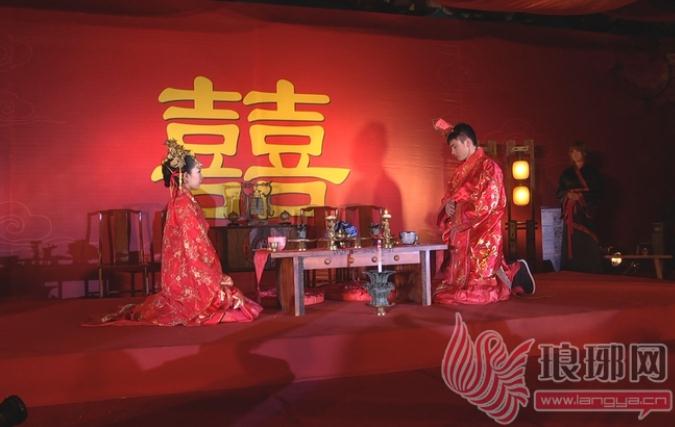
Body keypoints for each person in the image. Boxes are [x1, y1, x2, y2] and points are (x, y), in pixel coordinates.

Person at [95, 139, 262, 325]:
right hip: (187, 269)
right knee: (229, 299)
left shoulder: (185, 200)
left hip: (188, 265)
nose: (202, 176)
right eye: (198, 172)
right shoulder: (183, 204)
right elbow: (194, 244)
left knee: (231, 297)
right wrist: (211, 274)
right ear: (185, 176)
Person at [432, 120, 535, 304]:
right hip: (462, 230)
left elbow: (489, 201)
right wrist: (448, 207)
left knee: (478, 290)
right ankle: (513, 273)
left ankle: (512, 273)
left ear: (467, 143)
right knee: (447, 291)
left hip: (482, 229)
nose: (452, 152)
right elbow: (449, 197)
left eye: (454, 146)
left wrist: (461, 211)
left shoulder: (489, 167)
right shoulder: (459, 172)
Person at [556, 142, 603, 273]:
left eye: (577, 151)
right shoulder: (566, 173)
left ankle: (591, 268)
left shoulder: (593, 172)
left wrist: (581, 197)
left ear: (584, 153)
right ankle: (571, 267)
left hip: (586, 211)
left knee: (588, 238)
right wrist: (568, 194)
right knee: (572, 238)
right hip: (571, 212)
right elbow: (559, 191)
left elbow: (599, 192)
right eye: (572, 152)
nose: (575, 154)